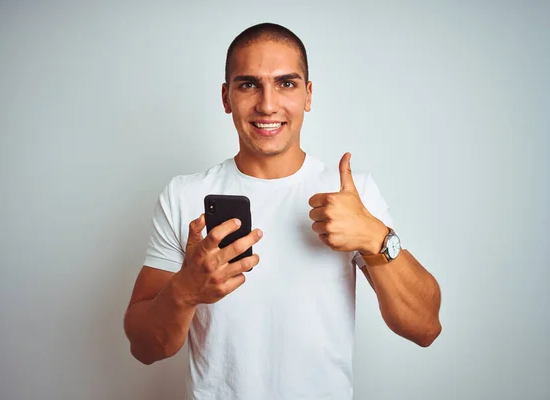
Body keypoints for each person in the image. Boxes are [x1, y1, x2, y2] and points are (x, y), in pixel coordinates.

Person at [124, 22, 442, 400]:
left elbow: (425, 328)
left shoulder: (349, 195)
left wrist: (375, 237)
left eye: (286, 84)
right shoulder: (183, 195)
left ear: (308, 95)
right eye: (248, 84)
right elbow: (145, 349)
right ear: (226, 98)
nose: (268, 104)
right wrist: (186, 291)